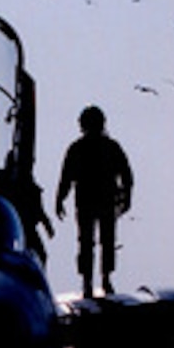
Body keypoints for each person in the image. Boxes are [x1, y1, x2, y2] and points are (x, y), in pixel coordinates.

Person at [55, 105, 134, 298]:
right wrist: (126, 197)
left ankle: (90, 281)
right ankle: (102, 280)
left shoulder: (78, 148)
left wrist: (60, 199)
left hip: (89, 201)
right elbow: (127, 175)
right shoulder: (110, 147)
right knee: (103, 241)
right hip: (103, 200)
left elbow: (66, 178)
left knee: (88, 242)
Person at [0, 151, 54, 265]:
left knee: (40, 256)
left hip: (26, 226)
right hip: (5, 227)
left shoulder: (27, 182)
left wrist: (46, 223)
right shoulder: (0, 181)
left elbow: (37, 206)